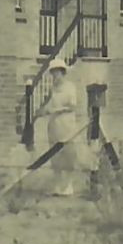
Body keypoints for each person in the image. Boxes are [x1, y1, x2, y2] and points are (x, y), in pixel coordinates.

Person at [37, 63, 95, 196]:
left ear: (63, 73)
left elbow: (72, 106)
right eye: (53, 73)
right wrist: (45, 110)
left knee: (68, 154)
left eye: (57, 73)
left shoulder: (70, 87)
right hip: (54, 125)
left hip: (66, 123)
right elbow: (51, 104)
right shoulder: (54, 89)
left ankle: (68, 186)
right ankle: (58, 185)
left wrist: (55, 110)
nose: (55, 76)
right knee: (55, 155)